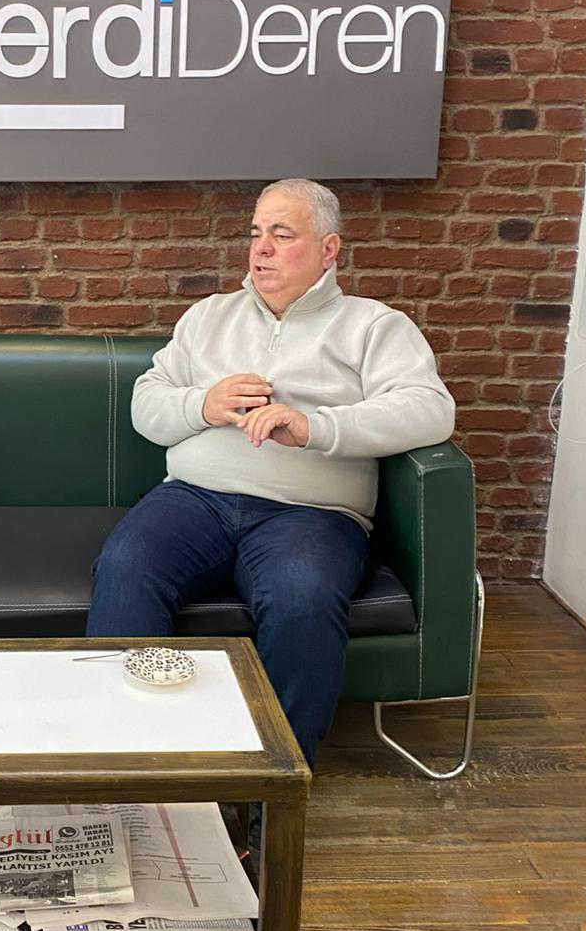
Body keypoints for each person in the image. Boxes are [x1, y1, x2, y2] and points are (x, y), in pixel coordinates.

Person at [86, 178, 455, 831]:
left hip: (311, 513)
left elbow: (429, 409)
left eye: (282, 235)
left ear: (329, 249)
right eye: (256, 233)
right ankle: (127, 772)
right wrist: (204, 403)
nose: (261, 249)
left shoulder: (373, 326)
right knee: (125, 565)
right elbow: (148, 403)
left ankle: (269, 801)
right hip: (194, 499)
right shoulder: (209, 317)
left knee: (302, 597)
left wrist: (316, 427)